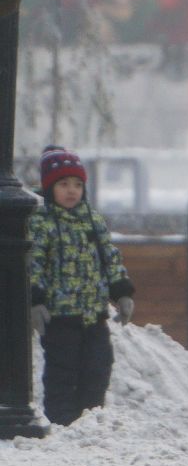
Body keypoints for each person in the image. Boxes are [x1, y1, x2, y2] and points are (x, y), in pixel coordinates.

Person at [28, 147, 134, 426]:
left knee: (98, 367)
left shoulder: (92, 219)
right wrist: (35, 300)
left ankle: (90, 419)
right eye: (63, 184)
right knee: (63, 372)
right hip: (60, 317)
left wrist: (121, 292)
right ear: (50, 188)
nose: (71, 191)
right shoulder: (42, 223)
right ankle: (62, 422)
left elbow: (109, 257)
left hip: (93, 314)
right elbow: (34, 264)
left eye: (77, 184)